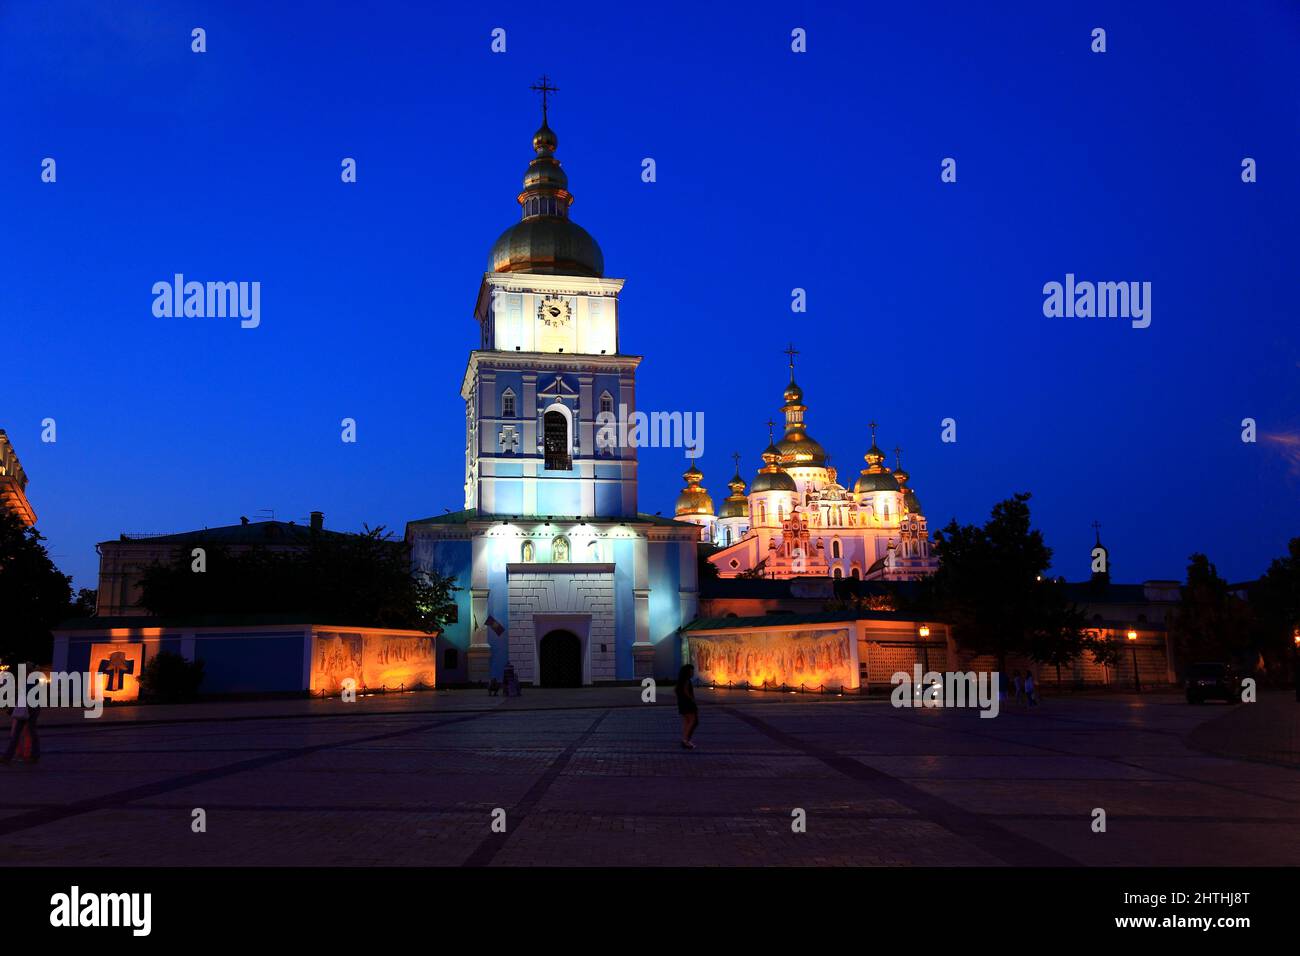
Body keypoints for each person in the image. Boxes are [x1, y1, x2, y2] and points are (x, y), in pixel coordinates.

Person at [2, 664, 41, 765]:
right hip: (29, 709)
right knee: (25, 733)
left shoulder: (31, 681)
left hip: (30, 709)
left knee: (23, 733)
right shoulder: (31, 681)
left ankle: (9, 757)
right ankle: (9, 756)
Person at [675, 664, 699, 749]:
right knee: (693, 721)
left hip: (682, 704)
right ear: (687, 672)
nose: (693, 673)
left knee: (686, 722)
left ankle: (684, 740)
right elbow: (686, 692)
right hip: (688, 704)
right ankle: (686, 740)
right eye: (691, 671)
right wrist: (693, 700)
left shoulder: (681, 681)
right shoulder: (687, 681)